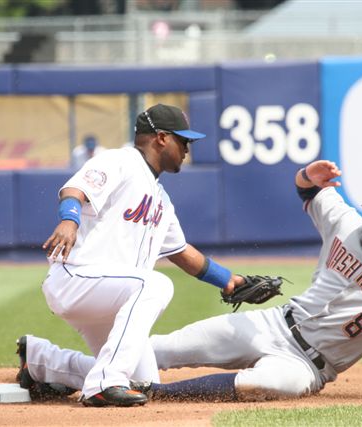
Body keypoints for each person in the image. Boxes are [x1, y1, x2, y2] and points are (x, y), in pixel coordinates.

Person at [30, 159, 362, 402]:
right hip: (272, 325)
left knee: (263, 385)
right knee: (149, 351)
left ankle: (153, 395)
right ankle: (46, 364)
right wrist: (308, 175)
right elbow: (306, 190)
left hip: (311, 367)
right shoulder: (347, 223)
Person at [15, 104, 245, 407]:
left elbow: (181, 252)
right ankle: (103, 384)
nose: (188, 148)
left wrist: (228, 281)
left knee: (144, 385)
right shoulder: (120, 161)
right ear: (161, 138)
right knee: (156, 285)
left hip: (115, 295)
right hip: (77, 278)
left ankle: (41, 360)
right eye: (183, 140)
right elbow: (75, 189)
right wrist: (69, 220)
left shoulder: (161, 198)